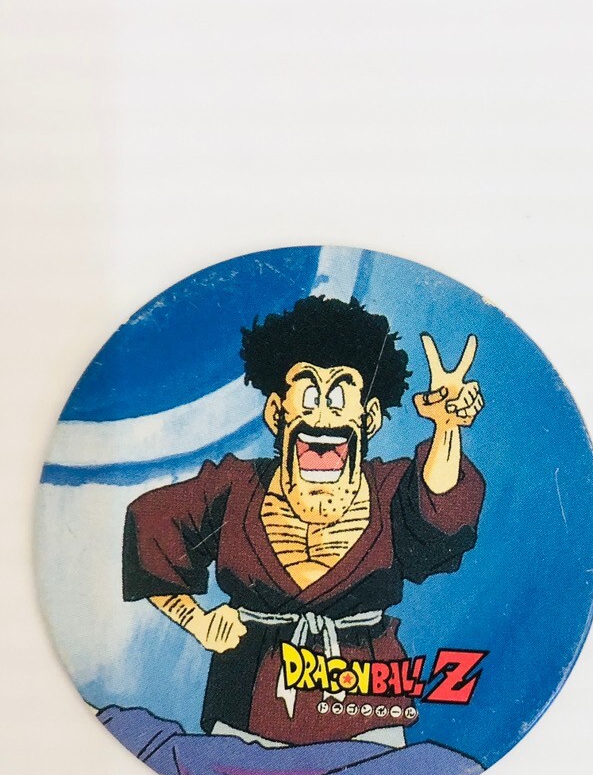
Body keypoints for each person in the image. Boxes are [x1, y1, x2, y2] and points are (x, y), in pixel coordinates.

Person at [123, 294, 486, 750]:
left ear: (369, 418)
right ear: (277, 413)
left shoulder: (390, 490)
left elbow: (441, 505)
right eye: (309, 394)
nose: (323, 414)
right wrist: (196, 621)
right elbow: (152, 523)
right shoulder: (235, 487)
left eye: (340, 396)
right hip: (244, 716)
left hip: (367, 717)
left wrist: (447, 429)